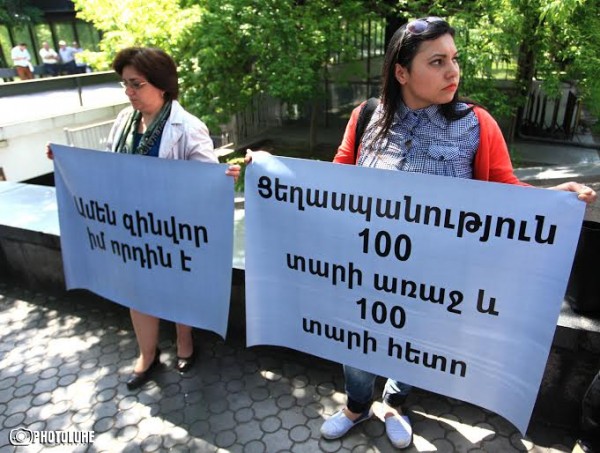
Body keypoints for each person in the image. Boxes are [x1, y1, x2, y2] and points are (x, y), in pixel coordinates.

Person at [245, 16, 597, 449]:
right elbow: (333, 184)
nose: (453, 71)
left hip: (435, 281)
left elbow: (506, 195)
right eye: (437, 61)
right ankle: (357, 404)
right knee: (356, 341)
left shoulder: (477, 124)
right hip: (365, 270)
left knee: (414, 344)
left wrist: (551, 199)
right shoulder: (366, 117)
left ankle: (395, 402)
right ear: (401, 71)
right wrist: (273, 172)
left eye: (454, 59)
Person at [48, 47, 241, 390]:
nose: (129, 92)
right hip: (132, 228)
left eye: (136, 84)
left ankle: (185, 342)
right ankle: (147, 354)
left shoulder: (188, 127)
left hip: (171, 229)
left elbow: (205, 177)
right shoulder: (125, 121)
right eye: (125, 84)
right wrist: (65, 160)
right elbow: (109, 165)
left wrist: (222, 177)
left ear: (161, 84)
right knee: (136, 289)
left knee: (178, 287)